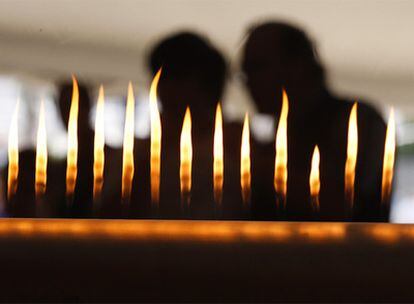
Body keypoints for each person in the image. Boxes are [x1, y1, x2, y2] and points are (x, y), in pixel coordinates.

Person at [241, 21, 387, 221]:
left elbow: (349, 207)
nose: (248, 80)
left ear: (297, 65)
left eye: (257, 67)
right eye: (245, 71)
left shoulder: (358, 120)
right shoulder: (280, 133)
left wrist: (257, 164)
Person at [145, 32, 242, 219]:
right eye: (159, 79)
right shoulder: (144, 151)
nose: (162, 90)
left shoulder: (237, 146)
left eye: (174, 77)